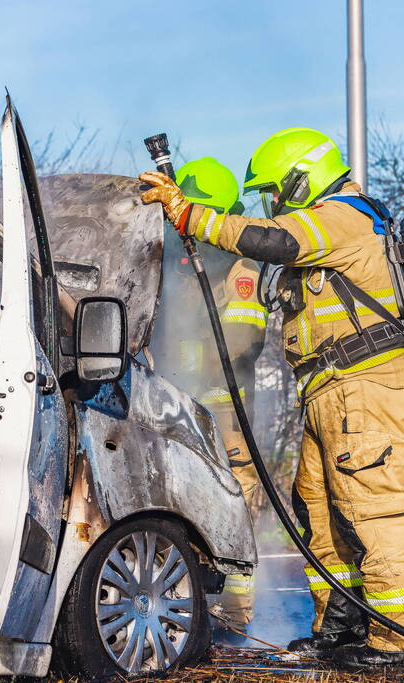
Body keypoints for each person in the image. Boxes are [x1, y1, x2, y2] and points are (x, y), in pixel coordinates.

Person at [140, 128, 404, 670]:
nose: (273, 202)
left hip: (366, 389)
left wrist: (189, 216)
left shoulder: (341, 216)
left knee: (372, 514)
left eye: (276, 190)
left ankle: (403, 646)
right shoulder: (331, 225)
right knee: (320, 513)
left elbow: (271, 241)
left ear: (301, 178)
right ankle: (340, 629)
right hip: (334, 392)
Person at [148, 157, 266, 636]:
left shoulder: (240, 267)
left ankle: (234, 621)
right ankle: (183, 604)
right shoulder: (175, 264)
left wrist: (180, 349)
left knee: (233, 501)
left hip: (224, 413)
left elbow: (240, 341)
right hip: (174, 406)